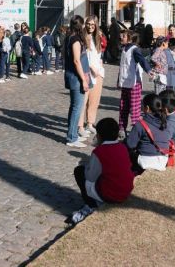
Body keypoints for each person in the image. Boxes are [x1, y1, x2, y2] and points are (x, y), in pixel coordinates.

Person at [70, 118, 134, 224]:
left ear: (99, 136)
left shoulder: (99, 151)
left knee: (79, 171)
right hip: (126, 191)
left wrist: (86, 167)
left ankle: (91, 205)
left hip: (110, 195)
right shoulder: (122, 147)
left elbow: (90, 177)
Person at [117, 30, 154, 137]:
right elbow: (122, 66)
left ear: (130, 38)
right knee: (123, 106)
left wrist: (148, 70)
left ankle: (135, 129)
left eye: (123, 36)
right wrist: (118, 80)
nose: (121, 38)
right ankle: (121, 128)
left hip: (134, 83)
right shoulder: (124, 49)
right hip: (125, 83)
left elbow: (142, 60)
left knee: (134, 108)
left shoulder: (135, 50)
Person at [126, 93, 173, 173]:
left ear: (147, 108)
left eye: (142, 105)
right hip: (163, 160)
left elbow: (130, 145)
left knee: (127, 151)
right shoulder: (166, 122)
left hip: (146, 162)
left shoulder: (140, 124)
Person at [64, 16, 92, 148]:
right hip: (75, 77)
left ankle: (73, 134)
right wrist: (83, 80)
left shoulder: (70, 37)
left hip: (72, 75)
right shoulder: (75, 40)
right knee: (76, 108)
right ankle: (71, 137)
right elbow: (76, 61)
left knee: (74, 107)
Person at [79, 15, 105, 137]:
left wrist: (99, 68)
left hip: (98, 74)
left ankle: (90, 123)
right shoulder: (83, 38)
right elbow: (82, 57)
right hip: (87, 73)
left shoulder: (97, 38)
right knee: (83, 101)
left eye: (93, 24)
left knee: (94, 101)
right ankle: (79, 126)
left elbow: (98, 55)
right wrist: (90, 68)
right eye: (88, 24)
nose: (90, 26)